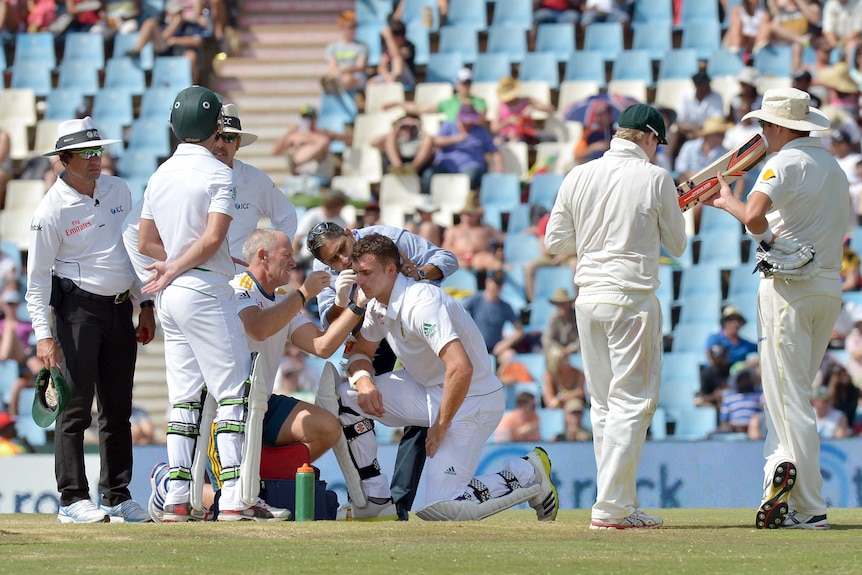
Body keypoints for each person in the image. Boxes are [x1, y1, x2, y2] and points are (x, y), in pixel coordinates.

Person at [137, 85, 289, 522]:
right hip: (203, 289)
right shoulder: (220, 174)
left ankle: (179, 499)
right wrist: (183, 266)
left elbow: (147, 241)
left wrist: (170, 268)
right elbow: (212, 240)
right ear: (213, 127)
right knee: (232, 395)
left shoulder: (159, 174)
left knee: (184, 399)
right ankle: (235, 498)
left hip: (172, 296)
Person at [330, 233, 558, 521]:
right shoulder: (376, 304)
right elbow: (360, 352)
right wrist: (363, 380)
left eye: (367, 273)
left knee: (441, 510)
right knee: (346, 396)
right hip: (427, 389)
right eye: (357, 273)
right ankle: (376, 498)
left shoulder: (421, 302)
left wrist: (440, 424)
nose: (360, 282)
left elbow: (461, 368)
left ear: (391, 270)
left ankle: (528, 473)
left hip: (471, 399)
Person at [147, 228, 366, 521]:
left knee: (327, 427)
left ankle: (256, 486)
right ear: (263, 256)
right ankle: (169, 484)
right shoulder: (236, 286)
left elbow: (323, 346)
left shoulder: (284, 298)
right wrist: (303, 294)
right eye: (287, 255)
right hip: (224, 409)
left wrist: (355, 304)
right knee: (226, 499)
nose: (293, 263)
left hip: (261, 403)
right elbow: (258, 327)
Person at [703, 87, 847, 530]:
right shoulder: (834, 166)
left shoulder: (783, 162)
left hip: (789, 289)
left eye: (765, 125)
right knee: (793, 394)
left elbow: (754, 216)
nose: (762, 132)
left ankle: (809, 506)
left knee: (788, 399)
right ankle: (779, 470)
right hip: (827, 288)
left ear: (783, 126)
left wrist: (726, 200)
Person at [545, 103, 687, 529]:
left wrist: (595, 233)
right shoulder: (655, 178)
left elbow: (554, 241)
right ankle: (609, 508)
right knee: (633, 403)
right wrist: (671, 208)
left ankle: (621, 505)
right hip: (630, 297)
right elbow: (677, 246)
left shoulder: (578, 175)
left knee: (605, 405)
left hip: (587, 297)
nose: (657, 151)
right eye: (657, 143)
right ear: (647, 137)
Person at [25, 116, 155, 524]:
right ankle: (71, 499)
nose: (96, 159)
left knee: (118, 409)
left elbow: (131, 251)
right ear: (64, 159)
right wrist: (43, 336)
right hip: (75, 311)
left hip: (120, 307)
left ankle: (116, 495)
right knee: (75, 407)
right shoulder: (50, 210)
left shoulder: (119, 188)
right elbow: (36, 280)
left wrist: (145, 303)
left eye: (97, 150)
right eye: (86, 153)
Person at [306, 219, 459, 520]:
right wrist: (341, 299)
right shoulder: (326, 275)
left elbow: (446, 259)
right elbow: (330, 326)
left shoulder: (387, 237)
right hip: (367, 333)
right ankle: (368, 495)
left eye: (342, 250)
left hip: (410, 324)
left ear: (350, 233)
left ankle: (399, 501)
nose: (342, 261)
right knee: (352, 399)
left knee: (426, 408)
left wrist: (418, 273)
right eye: (333, 260)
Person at [214, 103, 298, 264]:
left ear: (238, 143)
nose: (220, 144)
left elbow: (287, 216)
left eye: (229, 138)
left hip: (241, 279)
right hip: (200, 277)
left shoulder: (255, 180)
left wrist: (274, 258)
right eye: (216, 137)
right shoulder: (188, 176)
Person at [423, 104, 503, 193]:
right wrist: (457, 138)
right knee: (429, 174)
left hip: (471, 165)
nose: (468, 123)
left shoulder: (481, 131)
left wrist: (500, 169)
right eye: (465, 120)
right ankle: (428, 199)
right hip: (446, 164)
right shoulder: (448, 125)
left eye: (471, 120)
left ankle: (462, 201)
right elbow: (436, 142)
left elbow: (494, 151)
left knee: (470, 177)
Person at [461, 269, 524, 361]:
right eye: (496, 283)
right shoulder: (475, 299)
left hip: (495, 348)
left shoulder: (505, 306)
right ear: (488, 282)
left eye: (500, 284)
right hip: (475, 346)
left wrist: (505, 343)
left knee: (509, 355)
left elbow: (519, 331)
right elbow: (459, 313)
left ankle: (499, 375)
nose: (498, 287)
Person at [540, 288, 586, 411]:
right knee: (549, 356)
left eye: (562, 303)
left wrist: (569, 350)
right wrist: (559, 350)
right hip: (557, 353)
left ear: (569, 303)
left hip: (576, 353)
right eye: (558, 304)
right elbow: (547, 339)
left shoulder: (578, 317)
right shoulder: (553, 318)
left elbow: (583, 338)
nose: (560, 306)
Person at [442, 196, 505, 272]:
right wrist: (461, 255)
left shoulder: (486, 228)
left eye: (469, 214)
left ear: (478, 215)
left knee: (489, 259)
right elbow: (446, 248)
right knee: (449, 260)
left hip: (479, 257)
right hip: (458, 258)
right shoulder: (452, 230)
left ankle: (498, 278)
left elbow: (503, 238)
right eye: (464, 213)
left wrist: (519, 234)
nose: (466, 216)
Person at [492, 77, 555, 146]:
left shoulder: (527, 100)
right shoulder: (500, 106)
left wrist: (533, 107)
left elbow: (551, 109)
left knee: (551, 138)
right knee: (497, 141)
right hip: (507, 135)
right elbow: (494, 128)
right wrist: (508, 121)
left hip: (526, 134)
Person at [293, 189, 350, 265]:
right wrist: (296, 260)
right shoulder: (313, 215)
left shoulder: (341, 221)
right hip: (307, 257)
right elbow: (298, 238)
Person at [321, 10, 368, 95]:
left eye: (354, 26)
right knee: (335, 78)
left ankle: (334, 87)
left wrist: (345, 70)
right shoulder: (332, 46)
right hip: (339, 75)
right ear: (341, 27)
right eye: (349, 27)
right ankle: (335, 85)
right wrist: (340, 73)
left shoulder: (361, 46)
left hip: (356, 76)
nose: (353, 30)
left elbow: (360, 66)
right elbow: (332, 67)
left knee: (348, 79)